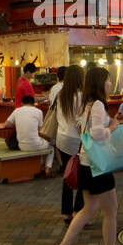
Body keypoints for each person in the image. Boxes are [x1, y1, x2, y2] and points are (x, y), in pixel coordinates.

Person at [49, 65, 123, 245]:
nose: (110, 83)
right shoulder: (96, 105)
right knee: (110, 211)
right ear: (99, 83)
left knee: (89, 209)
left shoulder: (88, 104)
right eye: (108, 80)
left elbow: (83, 129)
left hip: (87, 164)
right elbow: (95, 133)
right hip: (97, 165)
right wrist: (112, 127)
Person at [51, 67, 85, 224]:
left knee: (67, 174)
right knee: (82, 176)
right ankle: (78, 211)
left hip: (61, 139)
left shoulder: (61, 95)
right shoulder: (81, 96)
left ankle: (66, 213)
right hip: (76, 141)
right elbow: (80, 121)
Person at [9, 93, 55, 172]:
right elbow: (40, 129)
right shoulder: (38, 111)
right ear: (33, 103)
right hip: (35, 144)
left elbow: (7, 124)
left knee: (41, 145)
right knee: (51, 147)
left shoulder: (16, 111)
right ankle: (47, 168)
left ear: (22, 103)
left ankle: (40, 167)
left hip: (21, 146)